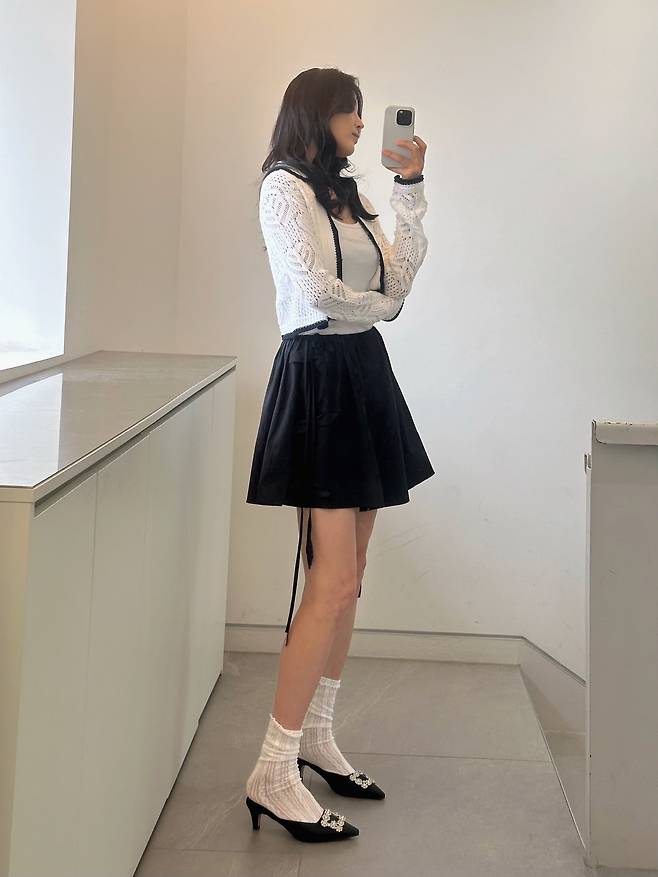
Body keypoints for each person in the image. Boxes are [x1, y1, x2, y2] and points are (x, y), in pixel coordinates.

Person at [244, 66, 435, 843]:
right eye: (349, 111)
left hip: (362, 371)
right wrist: (383, 305)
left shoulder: (349, 194)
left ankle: (316, 737)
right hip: (319, 373)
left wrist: (411, 188)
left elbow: (400, 272)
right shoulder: (283, 188)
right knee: (329, 581)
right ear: (315, 113)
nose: (361, 122)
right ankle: (272, 767)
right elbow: (313, 287)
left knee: (351, 579)